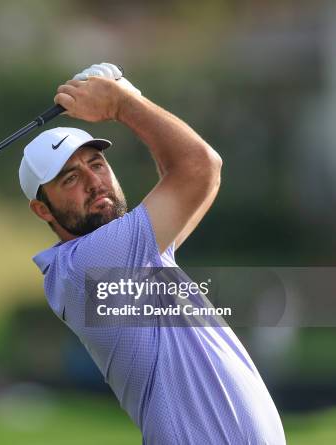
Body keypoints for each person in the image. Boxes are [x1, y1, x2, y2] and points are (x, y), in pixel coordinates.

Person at [18, 63, 286, 444]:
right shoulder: (93, 263)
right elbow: (200, 167)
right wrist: (121, 104)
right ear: (43, 210)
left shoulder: (127, 257)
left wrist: (132, 97)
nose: (95, 182)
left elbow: (186, 181)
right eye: (71, 179)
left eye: (97, 164)